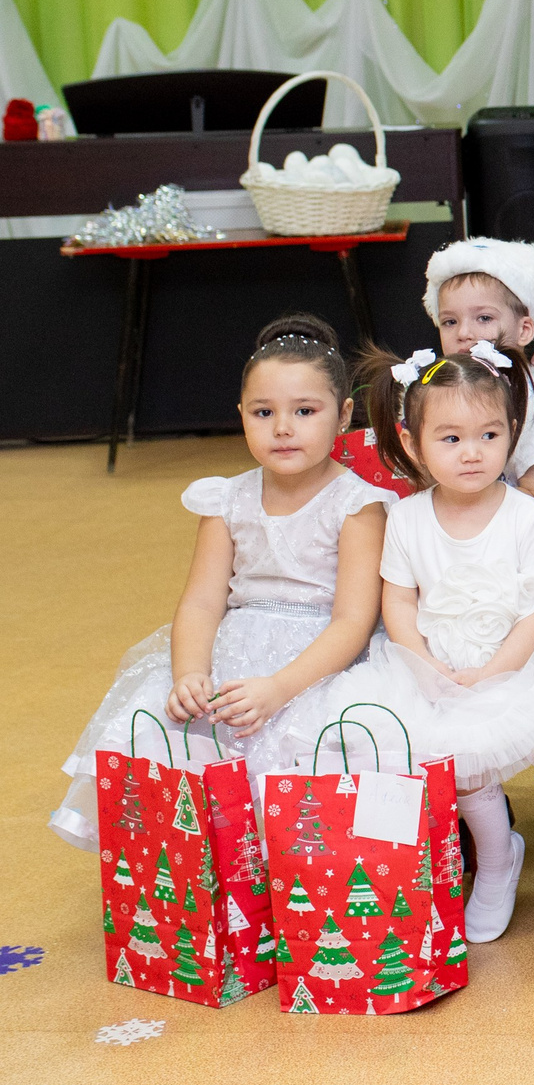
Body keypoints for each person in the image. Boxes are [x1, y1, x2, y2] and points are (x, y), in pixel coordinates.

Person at [52, 315, 389, 851]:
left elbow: (354, 619)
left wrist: (279, 688)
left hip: (317, 660)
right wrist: (189, 671)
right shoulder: (225, 499)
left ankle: (294, 876)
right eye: (263, 412)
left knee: (312, 748)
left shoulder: (358, 504)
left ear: (344, 415)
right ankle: (214, 874)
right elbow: (204, 601)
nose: (283, 427)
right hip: (237, 645)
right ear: (242, 417)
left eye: (305, 411)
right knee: (164, 719)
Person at [331, 342, 534, 942]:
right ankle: (424, 872)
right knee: (410, 753)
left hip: (521, 654)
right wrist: (422, 664)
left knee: (472, 763)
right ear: (414, 442)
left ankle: (496, 867)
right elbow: (397, 599)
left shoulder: (526, 515)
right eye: (450, 439)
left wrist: (497, 670)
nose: (472, 453)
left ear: (511, 433)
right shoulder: (408, 518)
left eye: (489, 434)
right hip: (432, 658)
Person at [421, 238, 534, 528]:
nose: (463, 333)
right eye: (449, 321)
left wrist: (460, 506)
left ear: (524, 330)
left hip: (520, 545)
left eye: (483, 318)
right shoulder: (440, 395)